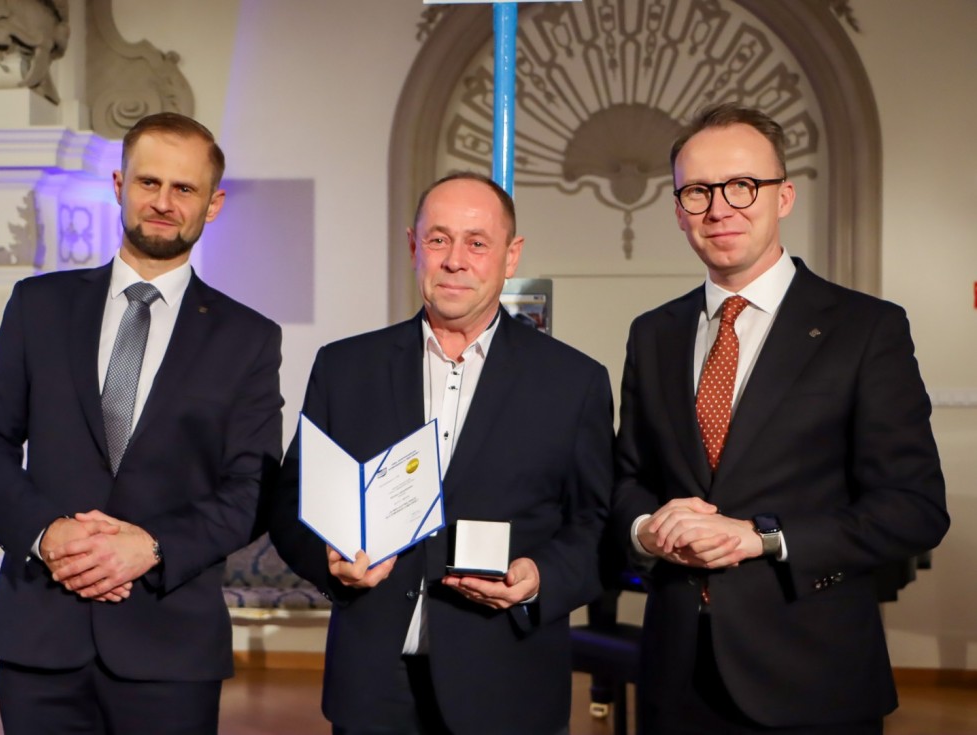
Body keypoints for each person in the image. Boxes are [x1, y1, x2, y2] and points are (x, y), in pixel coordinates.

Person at [610, 103, 950, 734]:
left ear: (783, 196)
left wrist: (762, 537)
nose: (719, 208)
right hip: (676, 677)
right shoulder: (653, 333)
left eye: (742, 185)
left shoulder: (866, 329)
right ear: (678, 210)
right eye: (697, 191)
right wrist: (646, 529)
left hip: (811, 678)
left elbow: (915, 508)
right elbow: (628, 477)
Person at [0, 112, 283, 734]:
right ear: (118, 185)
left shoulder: (248, 338)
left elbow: (254, 488)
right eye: (148, 182)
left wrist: (151, 547)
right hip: (41, 636)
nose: (163, 202)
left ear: (212, 205)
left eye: (183, 188)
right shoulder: (38, 306)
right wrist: (47, 533)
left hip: (169, 644)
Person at [266, 172, 614, 734]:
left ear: (510, 255)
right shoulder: (345, 368)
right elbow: (292, 501)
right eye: (438, 239)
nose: (455, 260)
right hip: (373, 688)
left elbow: (596, 523)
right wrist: (329, 560)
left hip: (508, 687)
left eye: (477, 243)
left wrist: (540, 576)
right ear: (414, 247)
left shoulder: (573, 382)